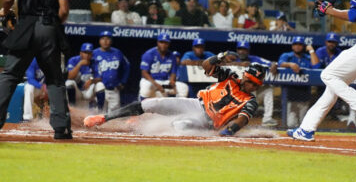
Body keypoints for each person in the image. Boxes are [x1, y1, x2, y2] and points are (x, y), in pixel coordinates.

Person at [83, 53, 266, 137]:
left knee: (178, 126)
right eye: (251, 82)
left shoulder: (250, 101)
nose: (252, 87)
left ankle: (147, 128)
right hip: (195, 104)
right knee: (152, 103)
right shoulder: (231, 77)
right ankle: (103, 118)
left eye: (255, 84)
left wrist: (230, 131)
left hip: (207, 122)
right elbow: (206, 66)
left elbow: (241, 120)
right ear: (245, 77)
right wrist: (219, 57)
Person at [288, 0, 356, 141]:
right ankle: (306, 129)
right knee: (334, 87)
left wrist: (329, 10)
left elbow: (353, 15)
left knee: (328, 75)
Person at [0, 0, 72, 139]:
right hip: (49, 27)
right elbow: (64, 10)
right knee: (54, 79)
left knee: (10, 75)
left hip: (26, 26)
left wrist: (3, 12)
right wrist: (53, 25)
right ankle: (61, 129)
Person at [233, 41, 278, 127]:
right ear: (237, 50)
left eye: (244, 49)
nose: (242, 51)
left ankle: (267, 119)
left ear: (248, 51)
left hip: (252, 92)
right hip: (237, 94)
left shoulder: (254, 59)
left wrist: (274, 64)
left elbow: (271, 63)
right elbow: (222, 65)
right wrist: (239, 64)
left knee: (268, 89)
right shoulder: (233, 59)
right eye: (240, 49)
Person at [278, 36, 320, 128]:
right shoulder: (287, 56)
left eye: (300, 44)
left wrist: (312, 50)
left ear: (303, 46)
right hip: (290, 96)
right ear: (292, 46)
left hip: (304, 95)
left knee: (304, 123)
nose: (297, 46)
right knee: (291, 124)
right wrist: (290, 64)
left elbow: (316, 66)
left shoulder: (308, 57)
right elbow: (280, 63)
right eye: (295, 44)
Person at [139, 33, 188, 99]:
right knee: (147, 86)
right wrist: (156, 85)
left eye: (166, 43)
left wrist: (172, 81)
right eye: (161, 42)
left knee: (183, 87)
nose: (163, 45)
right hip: (151, 82)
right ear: (157, 42)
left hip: (164, 83)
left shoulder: (172, 56)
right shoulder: (149, 54)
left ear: (169, 44)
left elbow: (173, 72)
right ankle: (142, 105)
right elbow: (144, 73)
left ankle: (179, 107)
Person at [92, 31, 130, 113]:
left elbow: (127, 66)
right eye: (103, 39)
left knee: (114, 115)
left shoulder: (117, 52)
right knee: (99, 113)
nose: (105, 41)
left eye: (108, 39)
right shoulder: (94, 53)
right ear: (99, 41)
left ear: (111, 41)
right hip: (100, 89)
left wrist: (123, 82)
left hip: (114, 90)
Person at [65, 43, 105, 108]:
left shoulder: (95, 62)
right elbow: (69, 77)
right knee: (69, 83)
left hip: (88, 92)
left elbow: (100, 78)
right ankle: (72, 109)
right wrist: (79, 64)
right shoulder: (73, 60)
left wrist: (91, 81)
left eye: (89, 53)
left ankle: (100, 111)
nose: (87, 55)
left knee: (100, 85)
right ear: (80, 53)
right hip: (77, 92)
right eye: (85, 52)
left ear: (92, 54)